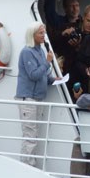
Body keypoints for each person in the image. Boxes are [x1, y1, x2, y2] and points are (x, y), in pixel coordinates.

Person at [15, 22, 59, 166]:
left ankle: (29, 166)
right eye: (41, 33)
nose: (44, 35)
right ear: (32, 35)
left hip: (37, 98)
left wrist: (53, 79)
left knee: (34, 134)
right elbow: (33, 75)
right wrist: (47, 62)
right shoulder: (27, 51)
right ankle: (27, 167)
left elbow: (43, 75)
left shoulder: (40, 50)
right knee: (30, 136)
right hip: (28, 99)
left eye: (44, 32)